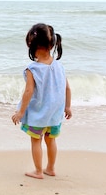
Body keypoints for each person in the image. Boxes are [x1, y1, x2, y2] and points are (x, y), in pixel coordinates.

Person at [11, 23, 72, 179]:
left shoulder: (33, 69)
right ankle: (50, 168)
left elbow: (29, 92)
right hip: (55, 114)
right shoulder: (59, 66)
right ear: (52, 44)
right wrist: (68, 107)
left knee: (36, 140)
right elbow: (67, 89)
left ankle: (38, 171)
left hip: (39, 114)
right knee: (51, 140)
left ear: (30, 46)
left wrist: (20, 112)